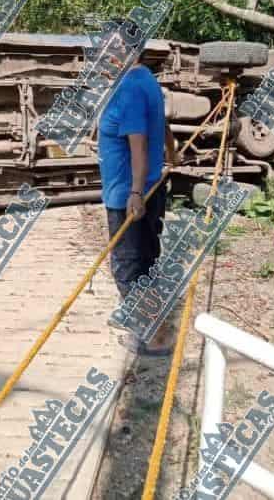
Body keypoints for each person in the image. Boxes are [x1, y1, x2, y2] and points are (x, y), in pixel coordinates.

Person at [98, 42, 180, 357]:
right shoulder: (147, 80)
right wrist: (172, 153)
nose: (102, 57)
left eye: (107, 50)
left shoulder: (130, 88)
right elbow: (161, 122)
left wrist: (134, 193)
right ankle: (142, 321)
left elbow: (139, 143)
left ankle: (154, 337)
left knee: (127, 267)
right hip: (148, 188)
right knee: (144, 261)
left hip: (129, 195)